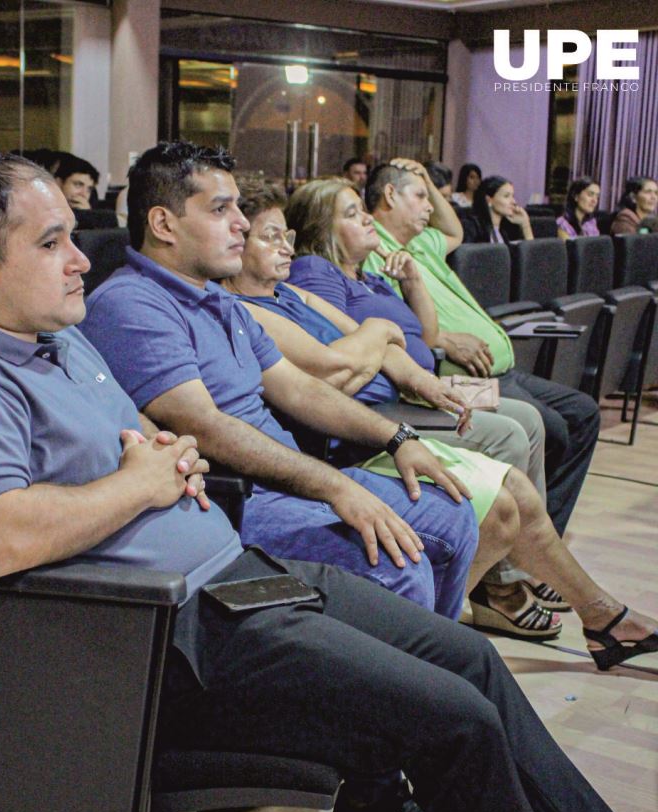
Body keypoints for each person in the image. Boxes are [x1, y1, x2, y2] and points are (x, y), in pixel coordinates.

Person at [0, 151, 657, 812]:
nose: (82, 257)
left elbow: (154, 446)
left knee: (468, 657)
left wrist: (163, 464)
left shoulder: (57, 340)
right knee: (451, 720)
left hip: (231, 577)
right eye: (52, 243)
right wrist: (146, 482)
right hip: (158, 638)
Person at [82, 142, 478, 623]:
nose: (242, 224)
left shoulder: (219, 300)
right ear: (164, 224)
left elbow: (300, 389)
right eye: (220, 209)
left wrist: (398, 437)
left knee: (455, 516)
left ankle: (436, 670)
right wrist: (333, 486)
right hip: (238, 499)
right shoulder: (132, 303)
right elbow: (204, 426)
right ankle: (407, 687)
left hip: (285, 481)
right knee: (396, 563)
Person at [273, 179, 658, 655]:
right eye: (352, 213)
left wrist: (410, 291)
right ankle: (505, 590)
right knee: (512, 437)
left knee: (537, 424)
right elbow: (343, 366)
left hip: (413, 389)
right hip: (381, 409)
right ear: (322, 229)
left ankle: (547, 591)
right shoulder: (314, 272)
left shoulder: (368, 276)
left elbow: (416, 336)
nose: (367, 218)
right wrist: (386, 340)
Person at [361, 160, 601, 538]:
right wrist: (440, 340)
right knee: (551, 427)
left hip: (502, 369)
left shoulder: (420, 242)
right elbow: (397, 330)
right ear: (390, 195)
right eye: (421, 196)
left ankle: (544, 534)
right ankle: (530, 540)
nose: (430, 205)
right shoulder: (377, 252)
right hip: (462, 376)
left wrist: (422, 173)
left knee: (584, 412)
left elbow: (453, 228)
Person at [461, 175, 534, 243]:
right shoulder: (471, 227)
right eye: (506, 196)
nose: (514, 202)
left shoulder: (507, 229)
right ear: (489, 200)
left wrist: (525, 224)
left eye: (513, 196)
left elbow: (530, 254)